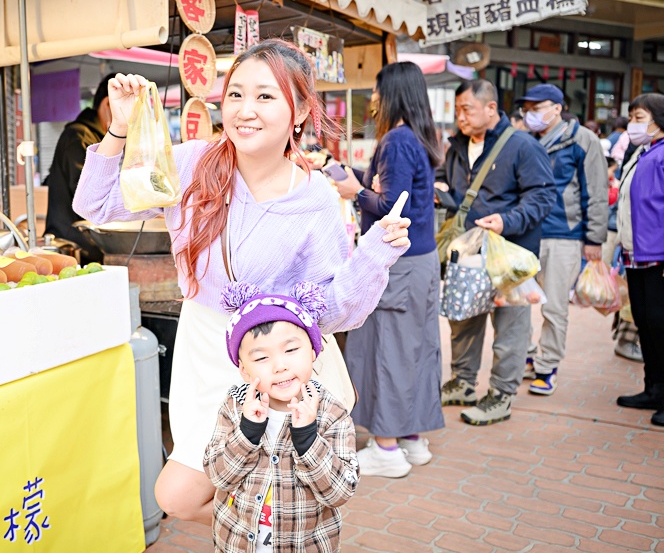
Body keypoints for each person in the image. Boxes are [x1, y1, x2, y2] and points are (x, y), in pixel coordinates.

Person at [73, 39, 410, 524]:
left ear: (298, 113)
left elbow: (336, 309)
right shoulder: (191, 164)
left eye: (265, 97)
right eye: (235, 94)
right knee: (184, 496)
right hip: (203, 346)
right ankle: (256, 527)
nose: (245, 111)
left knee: (221, 488)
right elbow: (96, 205)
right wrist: (120, 132)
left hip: (273, 362)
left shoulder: (314, 196)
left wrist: (374, 256)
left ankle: (267, 536)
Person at [334, 62, 445, 477]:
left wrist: (355, 191)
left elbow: (391, 209)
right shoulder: (419, 137)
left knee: (388, 349)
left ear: (394, 93)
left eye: (379, 92)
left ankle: (386, 447)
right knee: (415, 349)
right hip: (421, 261)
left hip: (399, 263)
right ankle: (412, 440)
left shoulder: (397, 140)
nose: (374, 100)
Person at [205, 281, 358, 553]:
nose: (279, 365)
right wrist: (248, 432)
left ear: (314, 353)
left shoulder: (331, 413)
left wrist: (308, 440)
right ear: (245, 371)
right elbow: (218, 476)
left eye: (291, 350)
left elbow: (340, 492)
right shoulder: (235, 407)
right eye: (261, 358)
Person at [437, 79, 556, 426]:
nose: (460, 116)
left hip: (509, 254)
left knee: (510, 327)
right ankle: (463, 382)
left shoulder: (521, 145)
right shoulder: (457, 146)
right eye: (457, 109)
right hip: (469, 253)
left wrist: (508, 220)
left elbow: (542, 196)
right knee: (464, 321)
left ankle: (501, 395)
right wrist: (440, 189)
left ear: (491, 108)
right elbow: (450, 182)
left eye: (467, 109)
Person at [517, 84, 608, 395]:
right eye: (526, 109)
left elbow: (596, 191)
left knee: (554, 306)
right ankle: (528, 355)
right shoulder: (525, 140)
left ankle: (547, 366)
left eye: (536, 107)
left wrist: (594, 238)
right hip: (526, 233)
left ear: (557, 107)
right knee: (517, 301)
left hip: (564, 236)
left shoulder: (583, 140)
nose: (530, 114)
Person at [614, 93, 664, 427]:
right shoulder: (642, 152)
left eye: (640, 116)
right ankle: (654, 388)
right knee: (646, 323)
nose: (634, 123)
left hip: (657, 256)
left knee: (661, 325)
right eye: (632, 116)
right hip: (637, 254)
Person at [42, 73, 115, 262]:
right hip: (73, 250)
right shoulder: (79, 138)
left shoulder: (99, 139)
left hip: (89, 247)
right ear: (108, 104)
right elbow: (90, 198)